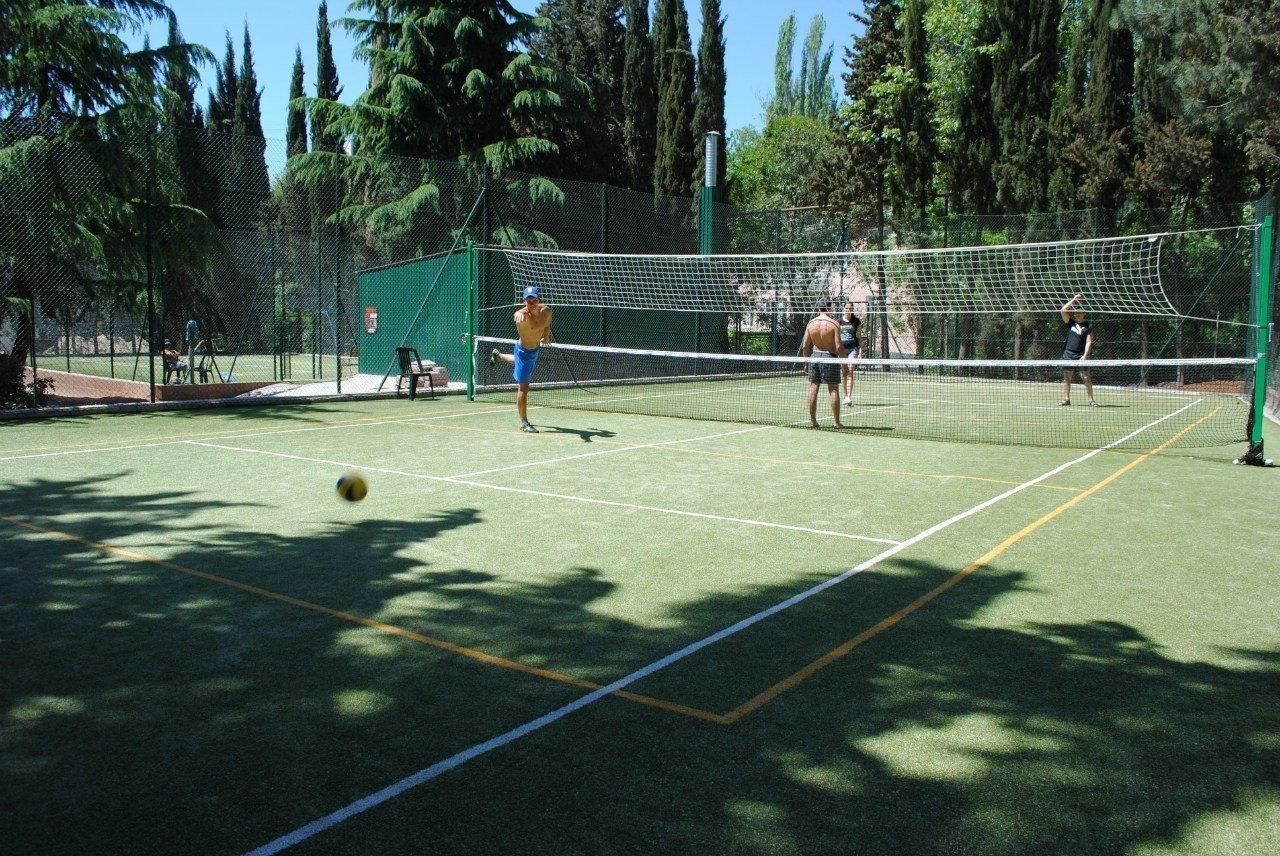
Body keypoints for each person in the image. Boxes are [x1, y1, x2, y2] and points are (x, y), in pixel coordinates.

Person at [490, 286, 553, 432]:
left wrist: (547, 336)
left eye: (534, 299)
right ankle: (524, 423)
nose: (531, 303)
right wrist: (520, 313)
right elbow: (530, 322)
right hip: (524, 350)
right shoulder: (521, 316)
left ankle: (498, 356)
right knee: (524, 387)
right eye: (528, 300)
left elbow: (546, 324)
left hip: (534, 349)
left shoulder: (546, 311)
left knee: (518, 362)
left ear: (538, 300)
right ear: (524, 300)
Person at [801, 298, 846, 429]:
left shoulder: (811, 323)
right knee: (833, 389)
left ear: (818, 308)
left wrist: (805, 362)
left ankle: (813, 421)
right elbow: (839, 346)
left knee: (813, 387)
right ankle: (836, 422)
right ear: (829, 307)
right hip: (830, 357)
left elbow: (805, 346)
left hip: (815, 356)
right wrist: (844, 364)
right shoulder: (834, 324)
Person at [1060, 292, 1097, 407]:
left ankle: (1091, 400)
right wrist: (1074, 300)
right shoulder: (1070, 323)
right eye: (1076, 312)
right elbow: (1062, 311)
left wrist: (1085, 355)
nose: (1077, 314)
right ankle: (1066, 399)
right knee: (1067, 378)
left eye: (1080, 312)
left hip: (1081, 355)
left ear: (1084, 313)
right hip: (1068, 354)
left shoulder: (1088, 326)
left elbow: (1089, 341)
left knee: (1086, 377)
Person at [838, 300, 862, 406]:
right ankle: (845, 396)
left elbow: (859, 337)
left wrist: (860, 351)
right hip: (842, 350)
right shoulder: (838, 322)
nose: (849, 310)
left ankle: (849, 397)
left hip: (853, 349)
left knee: (850, 371)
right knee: (844, 373)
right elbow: (836, 337)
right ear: (844, 309)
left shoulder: (856, 322)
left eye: (851, 309)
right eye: (847, 308)